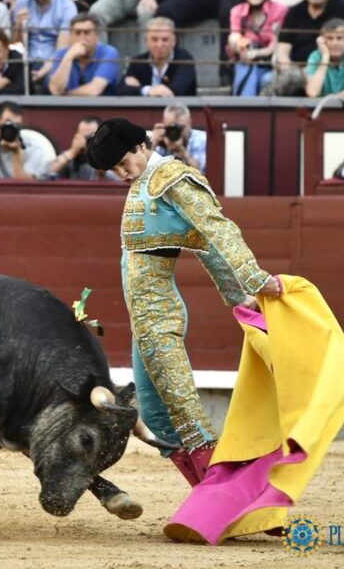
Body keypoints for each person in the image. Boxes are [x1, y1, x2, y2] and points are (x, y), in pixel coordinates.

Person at [85, 117, 281, 485]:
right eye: (113, 169)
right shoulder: (144, 182)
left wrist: (252, 281)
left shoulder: (171, 179)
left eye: (122, 163)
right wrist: (237, 296)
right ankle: (207, 495)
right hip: (142, 325)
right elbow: (205, 247)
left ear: (141, 146)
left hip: (160, 317)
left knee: (187, 414)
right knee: (158, 418)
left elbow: (216, 229)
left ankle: (234, 500)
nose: (120, 173)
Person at [116, 16, 197, 97]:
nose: (159, 45)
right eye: (154, 39)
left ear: (174, 41)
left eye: (165, 39)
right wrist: (149, 90)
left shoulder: (184, 59)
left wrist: (140, 89)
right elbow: (121, 90)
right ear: (146, 41)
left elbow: (175, 91)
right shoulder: (138, 61)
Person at [227, 0, 288, 96]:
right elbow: (234, 35)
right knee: (244, 70)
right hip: (245, 62)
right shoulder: (237, 11)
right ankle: (244, 108)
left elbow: (276, 45)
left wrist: (255, 53)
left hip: (271, 64)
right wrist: (237, 43)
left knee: (267, 79)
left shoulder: (280, 10)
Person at [12, 0, 76, 91]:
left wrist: (44, 70)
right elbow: (15, 44)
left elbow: (62, 50)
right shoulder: (22, 2)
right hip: (27, 60)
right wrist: (19, 26)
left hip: (54, 61)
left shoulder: (66, 6)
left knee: (51, 81)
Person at [277, 0, 344, 70]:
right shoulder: (294, 12)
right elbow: (283, 52)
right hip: (296, 73)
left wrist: (315, 71)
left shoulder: (343, 10)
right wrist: (293, 72)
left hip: (330, 72)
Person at [47, 12, 120, 96]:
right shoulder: (63, 54)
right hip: (69, 109)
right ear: (70, 36)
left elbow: (94, 90)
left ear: (97, 35)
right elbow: (55, 90)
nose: (82, 38)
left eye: (87, 33)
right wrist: (69, 57)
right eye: (77, 33)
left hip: (101, 108)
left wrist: (65, 96)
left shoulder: (109, 52)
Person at [305, 18, 344, 98]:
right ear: (322, 40)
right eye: (330, 38)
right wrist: (325, 57)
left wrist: (332, 99)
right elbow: (312, 92)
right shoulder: (315, 56)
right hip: (325, 108)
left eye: (339, 38)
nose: (335, 43)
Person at [152, 102, 206, 175]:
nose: (175, 132)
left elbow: (201, 174)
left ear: (190, 123)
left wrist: (182, 151)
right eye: (171, 127)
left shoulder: (201, 139)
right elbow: (147, 173)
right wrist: (153, 143)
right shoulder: (161, 138)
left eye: (180, 128)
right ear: (164, 123)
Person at [45, 116, 105, 180]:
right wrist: (72, 152)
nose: (86, 141)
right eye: (82, 137)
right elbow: (44, 175)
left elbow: (110, 179)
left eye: (90, 137)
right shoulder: (69, 158)